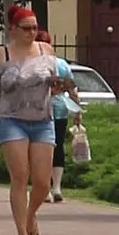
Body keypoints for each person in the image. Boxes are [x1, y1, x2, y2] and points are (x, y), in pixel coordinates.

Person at [0, 1, 63, 235]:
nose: (32, 32)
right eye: (26, 28)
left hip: (43, 121)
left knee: (43, 183)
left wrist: (58, 87)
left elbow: (53, 85)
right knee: (20, 176)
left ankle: (30, 214)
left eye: (34, 28)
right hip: (11, 121)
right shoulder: (3, 56)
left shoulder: (46, 50)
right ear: (13, 29)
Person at [39, 24, 80, 202]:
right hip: (60, 109)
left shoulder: (35, 64)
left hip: (40, 111)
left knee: (42, 149)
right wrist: (77, 111)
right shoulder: (62, 64)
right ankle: (56, 187)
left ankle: (46, 189)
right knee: (58, 147)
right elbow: (72, 90)